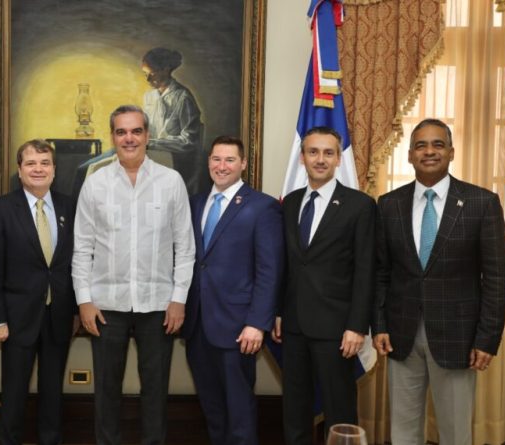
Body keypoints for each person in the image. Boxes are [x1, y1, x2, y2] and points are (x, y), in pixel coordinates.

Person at [373, 118, 505, 444]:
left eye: (437, 144)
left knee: (455, 432)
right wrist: (378, 324)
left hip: (460, 339)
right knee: (403, 431)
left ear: (451, 152)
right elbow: (381, 273)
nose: (429, 151)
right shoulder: (389, 205)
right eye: (421, 145)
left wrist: (487, 338)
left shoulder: (481, 203)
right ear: (409, 155)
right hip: (401, 336)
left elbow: (496, 277)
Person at [72, 105, 195, 445]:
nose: (129, 138)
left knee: (155, 391)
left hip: (158, 306)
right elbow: (82, 248)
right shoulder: (95, 184)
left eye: (136, 131)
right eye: (122, 132)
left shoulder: (171, 182)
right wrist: (84, 300)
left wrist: (178, 300)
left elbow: (185, 248)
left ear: (147, 135)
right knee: (107, 390)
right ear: (112, 136)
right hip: (105, 306)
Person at [271, 126, 376, 444]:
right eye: (313, 152)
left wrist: (357, 326)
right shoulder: (289, 203)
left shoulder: (359, 205)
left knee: (339, 410)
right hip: (293, 327)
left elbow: (365, 270)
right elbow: (285, 265)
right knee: (295, 410)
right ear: (302, 157)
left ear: (338, 159)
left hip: (337, 330)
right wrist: (278, 312)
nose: (320, 159)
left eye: (328, 153)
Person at [183, 136, 284, 445]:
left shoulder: (262, 206)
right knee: (212, 408)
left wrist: (257, 323)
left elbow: (269, 270)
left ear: (243, 164)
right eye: (216, 159)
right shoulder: (196, 202)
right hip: (198, 324)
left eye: (229, 160)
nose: (221, 166)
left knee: (239, 410)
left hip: (239, 327)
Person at [0, 139, 77, 445]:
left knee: (53, 393)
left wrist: (76, 310)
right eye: (31, 163)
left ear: (54, 169)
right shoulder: (1, 209)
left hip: (58, 317)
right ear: (20, 170)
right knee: (14, 393)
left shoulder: (68, 206)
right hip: (16, 319)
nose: (38, 169)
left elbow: (77, 262)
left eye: (44, 163)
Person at [141, 47, 206, 195]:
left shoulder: (183, 98)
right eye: (145, 74)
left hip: (175, 161)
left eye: (151, 74)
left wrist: (153, 143)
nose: (148, 80)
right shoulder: (149, 97)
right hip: (152, 156)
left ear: (165, 69)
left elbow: (189, 141)